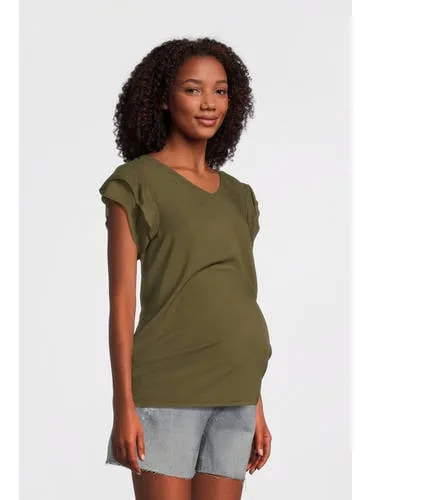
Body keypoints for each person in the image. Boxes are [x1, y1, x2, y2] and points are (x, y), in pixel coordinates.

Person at [98, 37, 273, 500]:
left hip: (236, 391)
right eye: (193, 89)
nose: (209, 103)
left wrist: (255, 401)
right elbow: (121, 303)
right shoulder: (135, 183)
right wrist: (123, 406)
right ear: (163, 97)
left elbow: (237, 295)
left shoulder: (239, 196)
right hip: (167, 389)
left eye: (220, 91)